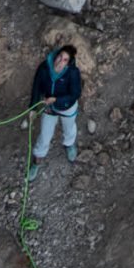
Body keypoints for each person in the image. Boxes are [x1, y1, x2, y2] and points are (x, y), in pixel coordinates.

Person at [28, 44, 82, 179]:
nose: (60, 61)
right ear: (56, 55)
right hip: (49, 107)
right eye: (60, 56)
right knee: (44, 136)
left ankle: (69, 144)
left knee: (69, 129)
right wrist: (33, 108)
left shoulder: (73, 72)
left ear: (68, 63)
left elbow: (75, 94)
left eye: (65, 60)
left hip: (67, 107)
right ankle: (37, 160)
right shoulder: (44, 68)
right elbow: (36, 88)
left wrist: (56, 100)